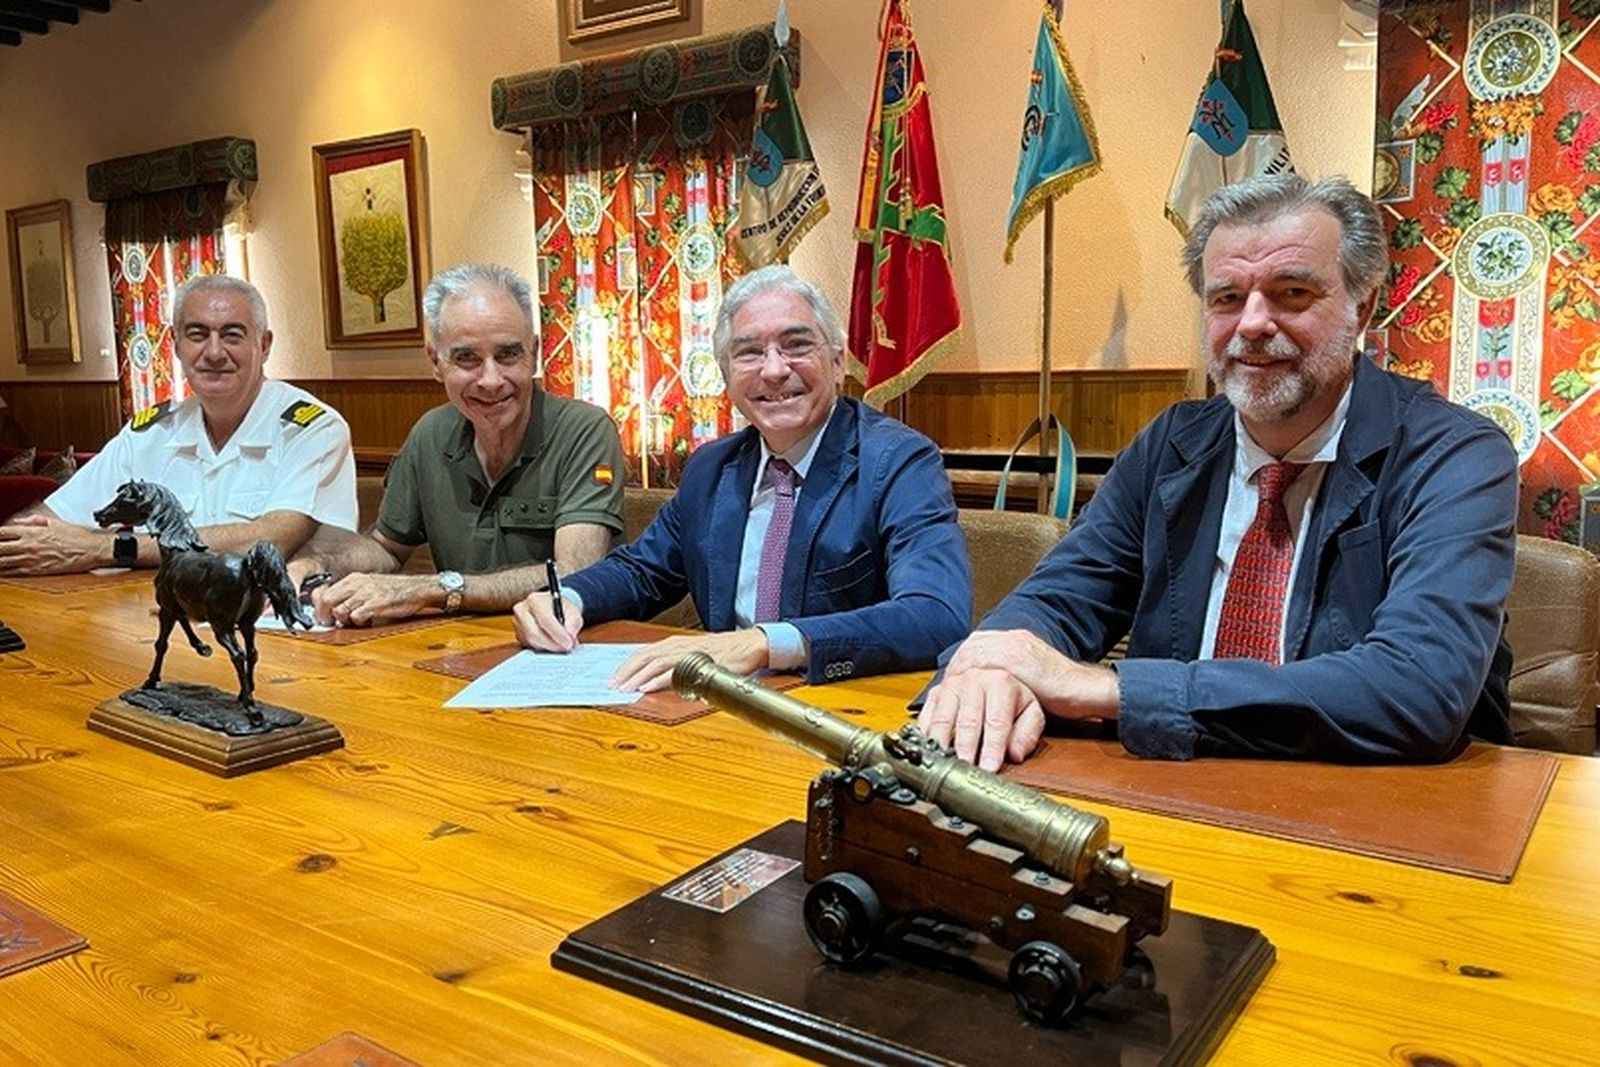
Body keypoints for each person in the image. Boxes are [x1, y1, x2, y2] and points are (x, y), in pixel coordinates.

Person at [919, 173, 1517, 770]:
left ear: (1364, 307)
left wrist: (1111, 690)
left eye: (1291, 293)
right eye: (1227, 298)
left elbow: (1418, 689)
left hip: (1390, 808)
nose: (1252, 324)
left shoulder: (1455, 454)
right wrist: (992, 667)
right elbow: (1058, 600)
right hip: (1180, 789)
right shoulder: (1171, 445)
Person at [513, 264, 971, 692]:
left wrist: (762, 643)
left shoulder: (898, 462)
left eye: (796, 345)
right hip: (718, 711)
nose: (774, 370)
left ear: (836, 362)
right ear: (726, 376)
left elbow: (936, 614)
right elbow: (642, 571)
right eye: (749, 352)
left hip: (841, 710)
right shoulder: (712, 467)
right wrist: (566, 598)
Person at [297, 263, 624, 625]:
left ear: (534, 352)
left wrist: (435, 589)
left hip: (563, 646)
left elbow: (573, 574)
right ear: (435, 362)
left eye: (507, 354)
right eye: (467, 358)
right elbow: (386, 548)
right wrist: (321, 564)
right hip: (456, 644)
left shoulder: (585, 430)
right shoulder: (430, 434)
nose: (491, 380)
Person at [0, 275, 356, 576]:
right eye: (197, 334)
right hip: (154, 620)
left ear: (263, 345)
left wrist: (111, 548)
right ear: (176, 346)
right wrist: (24, 542)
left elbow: (270, 541)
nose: (214, 353)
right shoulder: (151, 433)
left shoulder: (311, 429)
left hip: (273, 628)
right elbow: (52, 518)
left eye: (232, 335)